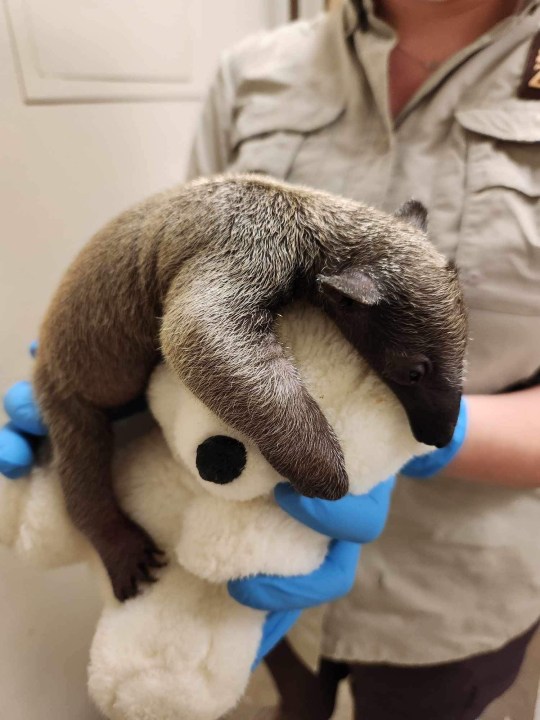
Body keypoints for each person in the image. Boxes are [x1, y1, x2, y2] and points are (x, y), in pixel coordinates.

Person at [2, 0, 540, 718]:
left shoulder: (344, 266)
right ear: (346, 301)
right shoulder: (254, 77)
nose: (424, 398)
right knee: (96, 494)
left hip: (452, 597)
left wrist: (430, 432)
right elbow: (198, 331)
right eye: (413, 376)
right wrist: (318, 457)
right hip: (228, 548)